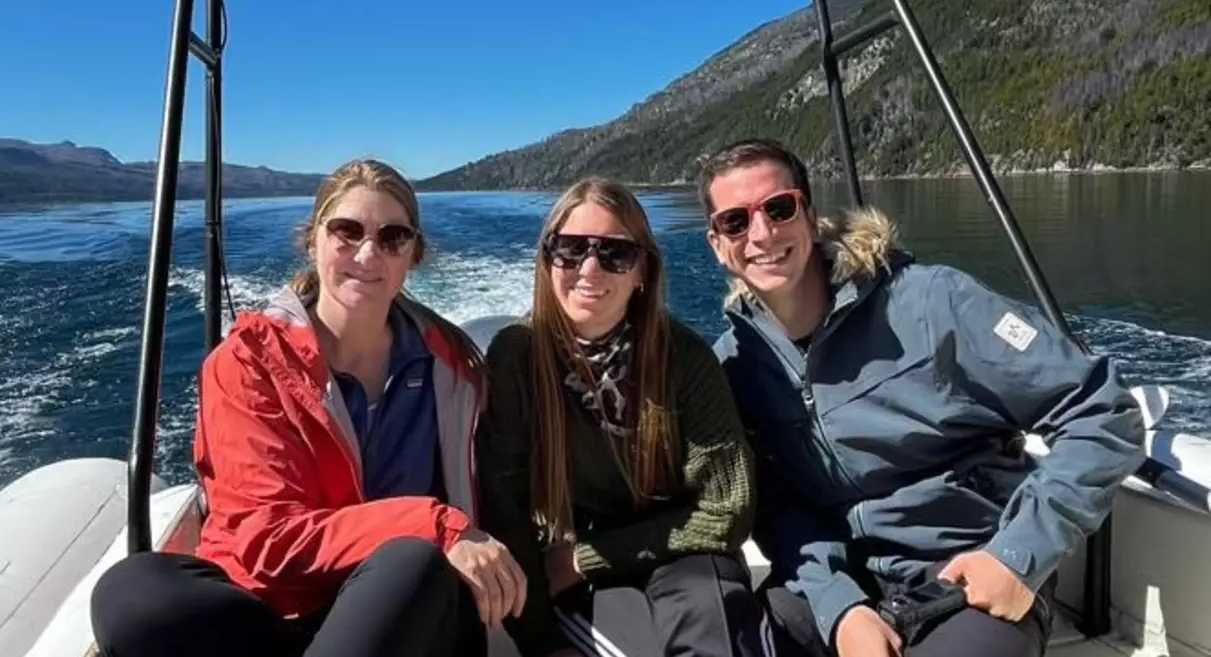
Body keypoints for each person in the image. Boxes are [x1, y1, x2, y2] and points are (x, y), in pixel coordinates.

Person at [699, 139, 1146, 657]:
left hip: (970, 569)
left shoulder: (933, 304)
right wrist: (839, 607)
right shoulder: (736, 365)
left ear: (809, 215)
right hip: (841, 579)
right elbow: (775, 504)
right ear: (718, 244)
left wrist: (1017, 557)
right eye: (736, 221)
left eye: (779, 209)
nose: (761, 233)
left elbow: (1102, 411)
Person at [89, 158, 526, 657]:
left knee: (411, 562)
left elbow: (511, 483)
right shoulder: (250, 362)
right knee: (132, 595)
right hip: (279, 608)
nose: (368, 252)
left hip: (409, 606)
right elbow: (267, 539)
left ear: (413, 254)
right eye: (347, 231)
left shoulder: (455, 371)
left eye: (392, 237)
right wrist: (434, 522)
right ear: (313, 241)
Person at [476, 177, 768, 657]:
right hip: (576, 559)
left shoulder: (683, 357)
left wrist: (583, 559)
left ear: (642, 271)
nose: (590, 268)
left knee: (710, 625)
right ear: (547, 260)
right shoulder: (516, 357)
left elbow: (727, 509)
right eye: (571, 249)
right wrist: (542, 644)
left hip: (683, 551)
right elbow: (504, 510)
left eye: (615, 253)